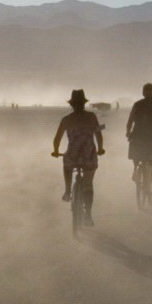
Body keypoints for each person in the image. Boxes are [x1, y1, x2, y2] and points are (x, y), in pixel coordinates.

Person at [51, 88, 105, 217]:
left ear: (71, 104)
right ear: (84, 103)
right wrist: (100, 149)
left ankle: (68, 191)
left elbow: (57, 138)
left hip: (72, 155)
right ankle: (88, 215)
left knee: (67, 167)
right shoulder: (92, 117)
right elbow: (98, 134)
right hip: (89, 155)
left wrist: (56, 151)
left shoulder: (66, 119)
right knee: (88, 185)